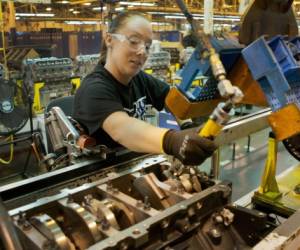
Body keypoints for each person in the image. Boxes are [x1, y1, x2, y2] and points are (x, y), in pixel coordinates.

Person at [73, 11, 217, 166]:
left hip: (133, 163)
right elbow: (123, 129)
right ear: (109, 39)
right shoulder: (94, 88)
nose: (142, 52)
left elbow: (171, 100)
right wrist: (173, 141)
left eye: (147, 46)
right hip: (102, 172)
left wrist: (188, 126)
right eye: (134, 41)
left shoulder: (138, 78)